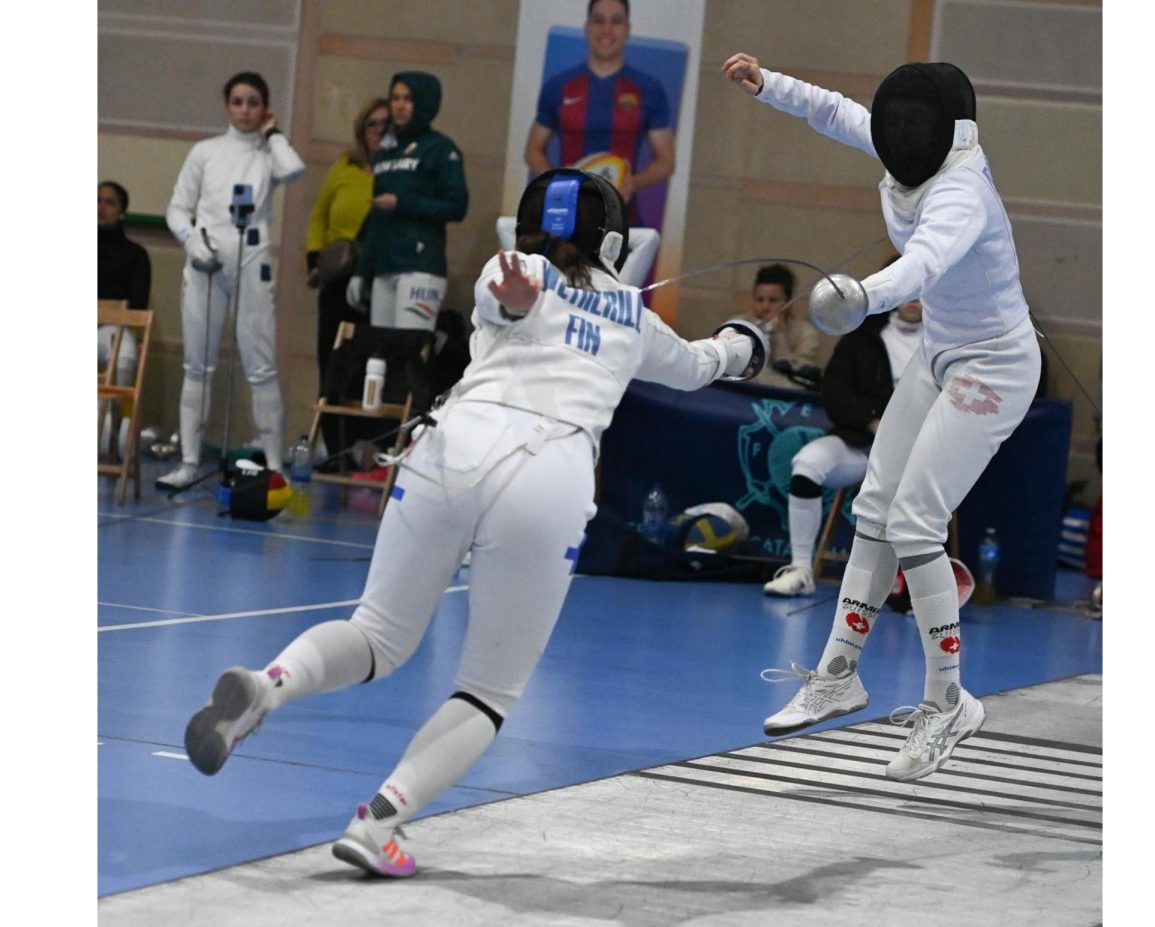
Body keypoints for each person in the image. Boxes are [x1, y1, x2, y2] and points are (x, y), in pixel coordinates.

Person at [183, 168, 767, 878]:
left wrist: (520, 302)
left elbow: (508, 299)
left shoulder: (509, 266)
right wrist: (746, 341)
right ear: (613, 237)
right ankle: (378, 823)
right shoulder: (631, 315)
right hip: (547, 471)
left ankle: (268, 684)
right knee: (488, 689)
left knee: (376, 631)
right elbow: (704, 365)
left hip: (449, 446)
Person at [725, 53, 1041, 781]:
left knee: (915, 522)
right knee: (874, 506)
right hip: (940, 354)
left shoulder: (960, 190)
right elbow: (837, 111)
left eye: (909, 122)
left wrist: (858, 297)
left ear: (945, 130)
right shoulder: (912, 151)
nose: (895, 133)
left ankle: (947, 703)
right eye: (893, 122)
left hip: (994, 365)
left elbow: (921, 266)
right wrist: (770, 84)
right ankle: (839, 671)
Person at [157, 71, 305, 490]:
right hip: (205, 265)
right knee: (197, 365)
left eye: (253, 102)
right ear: (227, 105)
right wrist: (191, 241)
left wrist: (273, 133)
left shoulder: (270, 154)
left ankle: (274, 468)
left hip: (253, 263)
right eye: (238, 101)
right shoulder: (204, 152)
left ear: (265, 107)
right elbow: (177, 209)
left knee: (261, 367)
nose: (244, 110)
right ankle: (188, 460)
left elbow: (294, 170)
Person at [765, 291, 923, 596]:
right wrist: (872, 423)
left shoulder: (944, 343)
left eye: (923, 292)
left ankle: (900, 580)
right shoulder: (861, 338)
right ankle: (800, 570)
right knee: (808, 464)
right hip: (862, 442)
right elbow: (835, 391)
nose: (915, 300)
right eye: (908, 292)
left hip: (918, 453)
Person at [524, 0, 675, 226]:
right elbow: (533, 149)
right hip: (565, 218)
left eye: (615, 21)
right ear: (587, 27)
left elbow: (666, 161)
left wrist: (632, 182)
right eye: (599, 20)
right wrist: (557, 181)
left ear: (627, 29)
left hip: (623, 220)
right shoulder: (558, 87)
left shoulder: (648, 90)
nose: (606, 30)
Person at [346, 72, 468, 332]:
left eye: (408, 99)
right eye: (395, 98)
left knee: (408, 354)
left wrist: (403, 203)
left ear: (424, 102)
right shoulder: (386, 152)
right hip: (384, 267)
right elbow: (378, 217)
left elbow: (457, 206)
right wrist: (361, 271)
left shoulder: (441, 149)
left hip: (420, 267)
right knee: (379, 355)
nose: (399, 105)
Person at [305, 97, 388, 381]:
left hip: (378, 277)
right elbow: (319, 215)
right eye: (371, 124)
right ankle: (327, 423)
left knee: (366, 364)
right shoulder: (345, 167)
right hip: (339, 273)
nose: (378, 130)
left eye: (385, 124)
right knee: (331, 357)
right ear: (362, 131)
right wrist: (314, 259)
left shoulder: (399, 172)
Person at [98, 180, 151, 387]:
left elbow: (138, 304)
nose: (100, 207)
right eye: (96, 200)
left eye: (110, 203)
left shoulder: (135, 255)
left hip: (112, 327)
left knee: (124, 354)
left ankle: (109, 416)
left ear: (121, 212)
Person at [737, 263, 822, 390]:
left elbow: (799, 380)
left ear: (788, 302)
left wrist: (779, 334)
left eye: (773, 300)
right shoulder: (739, 324)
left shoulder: (806, 333)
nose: (765, 307)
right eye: (760, 300)